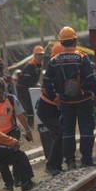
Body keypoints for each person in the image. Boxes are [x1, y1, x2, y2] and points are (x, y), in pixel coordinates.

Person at [43, 26, 96, 170]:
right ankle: (86, 159)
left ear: (61, 42)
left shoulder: (54, 60)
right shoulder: (82, 57)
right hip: (83, 100)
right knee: (86, 129)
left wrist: (54, 97)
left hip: (65, 101)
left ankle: (70, 161)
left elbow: (46, 82)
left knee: (67, 131)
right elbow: (90, 78)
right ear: (75, 40)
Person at [0, 78, 33, 190]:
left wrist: (28, 130)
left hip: (12, 130)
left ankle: (18, 179)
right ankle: (8, 183)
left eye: (0, 93)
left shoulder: (11, 99)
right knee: (1, 159)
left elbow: (20, 115)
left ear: (4, 89)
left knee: (15, 153)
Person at [37, 42, 64, 176]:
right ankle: (51, 165)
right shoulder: (53, 69)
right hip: (47, 110)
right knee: (60, 134)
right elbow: (45, 89)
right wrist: (57, 99)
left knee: (58, 135)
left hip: (53, 109)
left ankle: (56, 165)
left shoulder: (61, 69)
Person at [16, 45, 45, 126]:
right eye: (38, 54)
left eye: (41, 54)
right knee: (29, 105)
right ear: (35, 55)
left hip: (29, 86)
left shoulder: (40, 64)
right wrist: (35, 85)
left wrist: (37, 84)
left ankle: (34, 122)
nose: (40, 56)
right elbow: (26, 79)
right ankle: (30, 124)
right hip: (23, 87)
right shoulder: (31, 65)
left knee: (34, 103)